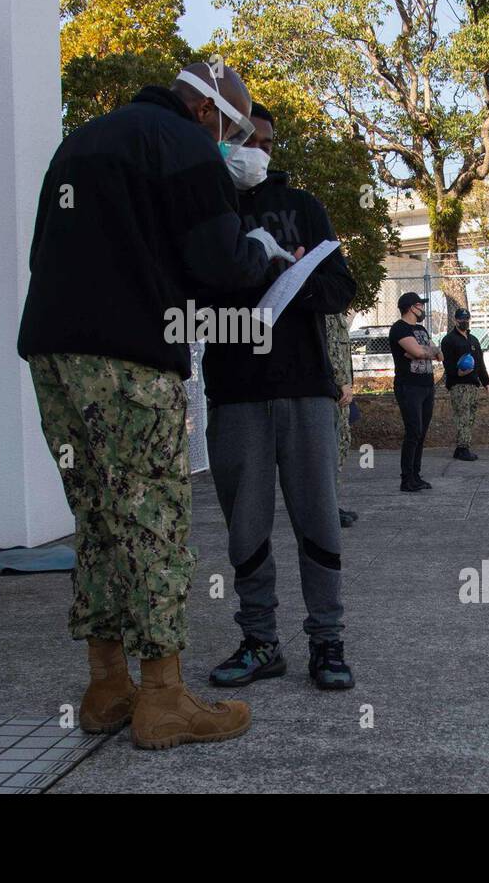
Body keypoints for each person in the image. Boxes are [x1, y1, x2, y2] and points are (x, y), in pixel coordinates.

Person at [18, 62, 295, 750]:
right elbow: (218, 262)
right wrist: (258, 251)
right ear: (208, 114)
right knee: (153, 519)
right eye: (235, 132)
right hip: (130, 358)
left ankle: (108, 685)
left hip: (54, 353)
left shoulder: (80, 141)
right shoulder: (184, 145)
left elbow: (38, 253)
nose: (237, 145)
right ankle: (165, 697)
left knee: (100, 517)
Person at [203, 101, 359, 691]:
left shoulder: (304, 207)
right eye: (245, 140)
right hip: (235, 392)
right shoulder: (204, 207)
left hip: (304, 389)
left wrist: (290, 273)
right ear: (220, 138)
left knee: (318, 518)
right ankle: (261, 641)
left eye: (267, 143)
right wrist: (249, 270)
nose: (257, 152)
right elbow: (191, 304)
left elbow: (341, 287)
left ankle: (327, 641)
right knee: (246, 527)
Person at [388, 293, 441, 491]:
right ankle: (406, 479)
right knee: (413, 431)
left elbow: (438, 355)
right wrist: (426, 351)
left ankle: (416, 476)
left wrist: (425, 351)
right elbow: (420, 353)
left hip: (427, 385)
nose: (423, 309)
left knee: (422, 432)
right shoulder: (399, 328)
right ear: (411, 307)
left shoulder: (420, 329)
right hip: (408, 386)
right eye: (420, 305)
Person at [439, 307, 489, 461]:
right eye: (461, 319)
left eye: (467, 319)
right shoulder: (448, 340)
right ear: (455, 320)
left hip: (473, 385)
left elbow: (480, 363)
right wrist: (457, 373)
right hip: (458, 385)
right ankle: (463, 448)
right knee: (462, 416)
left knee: (470, 417)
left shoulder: (473, 340)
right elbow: (447, 363)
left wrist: (486, 382)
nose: (464, 322)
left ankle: (462, 448)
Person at [326, 311, 358, 528]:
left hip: (342, 393)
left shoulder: (336, 312)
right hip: (334, 392)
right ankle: (327, 510)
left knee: (340, 448)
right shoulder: (326, 313)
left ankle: (331, 505)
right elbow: (330, 349)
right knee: (330, 454)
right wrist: (340, 381)